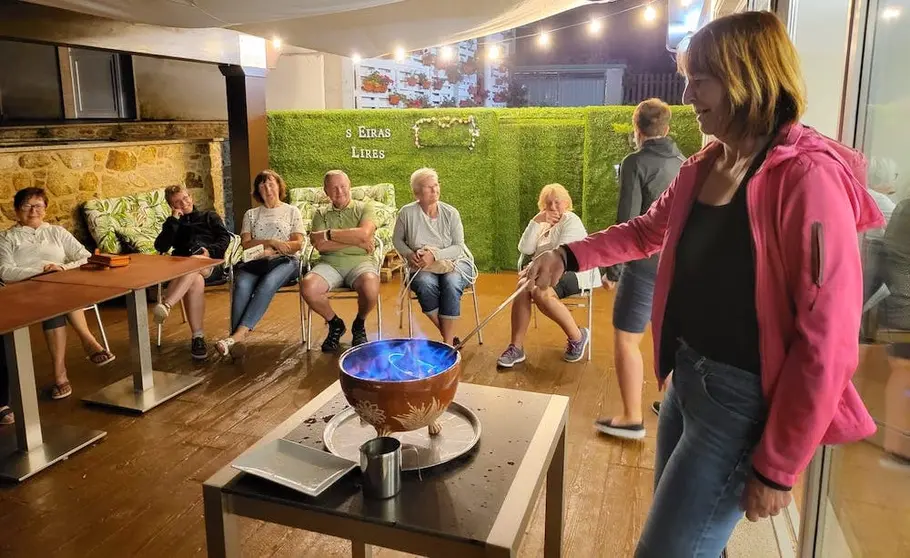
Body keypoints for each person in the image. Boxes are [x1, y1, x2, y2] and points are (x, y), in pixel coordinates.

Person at [523, 12, 883, 556]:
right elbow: (647, 230)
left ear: (748, 77)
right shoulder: (708, 162)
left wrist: (780, 467)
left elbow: (828, 338)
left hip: (742, 404)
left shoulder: (808, 178)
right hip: (686, 380)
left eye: (701, 79)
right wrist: (567, 254)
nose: (687, 94)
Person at [595, 99, 685, 440]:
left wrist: (613, 270)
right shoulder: (684, 161)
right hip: (677, 267)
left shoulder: (635, 162)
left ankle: (632, 418)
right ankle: (675, 405)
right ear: (667, 128)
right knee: (671, 337)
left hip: (645, 265)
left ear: (638, 129)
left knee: (627, 339)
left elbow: (629, 222)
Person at [0, 187, 116, 399]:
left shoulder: (57, 232)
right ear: (17, 210)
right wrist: (41, 271)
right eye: (27, 205)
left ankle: (60, 376)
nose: (33, 210)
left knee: (56, 297)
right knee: (56, 294)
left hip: (60, 286)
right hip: (26, 290)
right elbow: (4, 270)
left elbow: (85, 257)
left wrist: (61, 268)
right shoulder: (7, 238)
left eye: (38, 205)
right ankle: (88, 341)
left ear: (45, 209)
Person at [497, 184, 591, 367]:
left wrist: (533, 267)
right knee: (523, 286)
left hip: (573, 271)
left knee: (540, 292)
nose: (554, 207)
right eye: (549, 204)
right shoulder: (542, 224)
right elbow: (525, 249)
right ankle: (516, 348)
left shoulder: (571, 220)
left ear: (566, 203)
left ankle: (578, 336)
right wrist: (536, 220)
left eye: (558, 202)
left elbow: (560, 254)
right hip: (542, 273)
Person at [215, 170, 304, 357]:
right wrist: (271, 242)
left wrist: (278, 248)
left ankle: (236, 336)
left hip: (285, 261)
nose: (267, 188)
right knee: (241, 283)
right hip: (256, 261)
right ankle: (235, 343)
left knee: (268, 283)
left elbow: (297, 243)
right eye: (262, 185)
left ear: (279, 186)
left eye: (271, 183)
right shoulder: (251, 214)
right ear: (257, 190)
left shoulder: (292, 211)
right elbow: (246, 243)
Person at [393, 168, 476, 346]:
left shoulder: (451, 213)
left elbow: (458, 246)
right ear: (416, 192)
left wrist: (435, 255)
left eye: (436, 185)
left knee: (451, 282)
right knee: (424, 283)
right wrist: (408, 254)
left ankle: (446, 341)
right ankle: (449, 336)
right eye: (428, 187)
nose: (435, 189)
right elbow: (397, 240)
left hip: (455, 262)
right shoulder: (407, 213)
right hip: (420, 266)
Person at [300, 170, 380, 351]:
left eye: (343, 186)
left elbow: (365, 233)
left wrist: (329, 234)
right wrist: (357, 242)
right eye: (334, 188)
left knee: (371, 286)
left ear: (350, 185)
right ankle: (335, 323)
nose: (340, 191)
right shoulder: (320, 213)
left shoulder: (365, 207)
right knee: (308, 286)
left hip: (361, 263)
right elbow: (321, 246)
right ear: (326, 191)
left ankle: (359, 323)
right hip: (329, 264)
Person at [152, 185, 232, 360]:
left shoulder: (209, 216)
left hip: (210, 263)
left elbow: (225, 238)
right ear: (172, 206)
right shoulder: (173, 223)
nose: (183, 203)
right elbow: (161, 247)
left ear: (191, 197)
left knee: (194, 264)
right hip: (184, 270)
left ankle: (167, 304)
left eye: (185, 198)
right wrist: (173, 221)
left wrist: (208, 251)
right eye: (177, 202)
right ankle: (197, 337)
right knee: (195, 279)